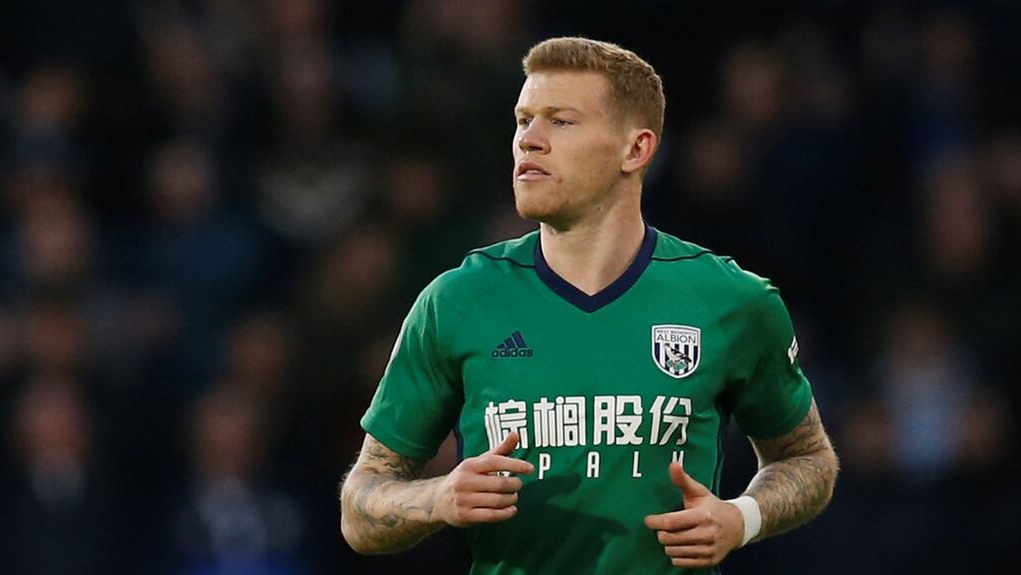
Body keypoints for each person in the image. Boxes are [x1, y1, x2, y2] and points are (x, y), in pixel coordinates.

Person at [340, 37, 838, 574]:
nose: (529, 140)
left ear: (636, 149)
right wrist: (436, 499)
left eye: (560, 121)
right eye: (522, 120)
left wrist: (743, 517)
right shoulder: (459, 301)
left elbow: (808, 457)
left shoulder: (730, 300)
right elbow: (359, 508)